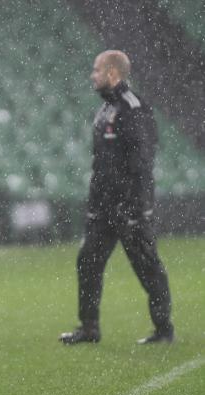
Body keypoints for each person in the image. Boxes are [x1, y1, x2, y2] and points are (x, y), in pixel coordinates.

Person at [60, 50, 174, 345]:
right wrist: (95, 206)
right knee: (88, 262)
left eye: (97, 70)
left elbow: (142, 162)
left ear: (112, 74)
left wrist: (137, 207)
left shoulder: (132, 108)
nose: (92, 75)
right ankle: (89, 329)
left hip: (129, 209)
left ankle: (163, 330)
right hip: (103, 210)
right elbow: (102, 167)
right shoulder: (105, 110)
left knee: (147, 266)